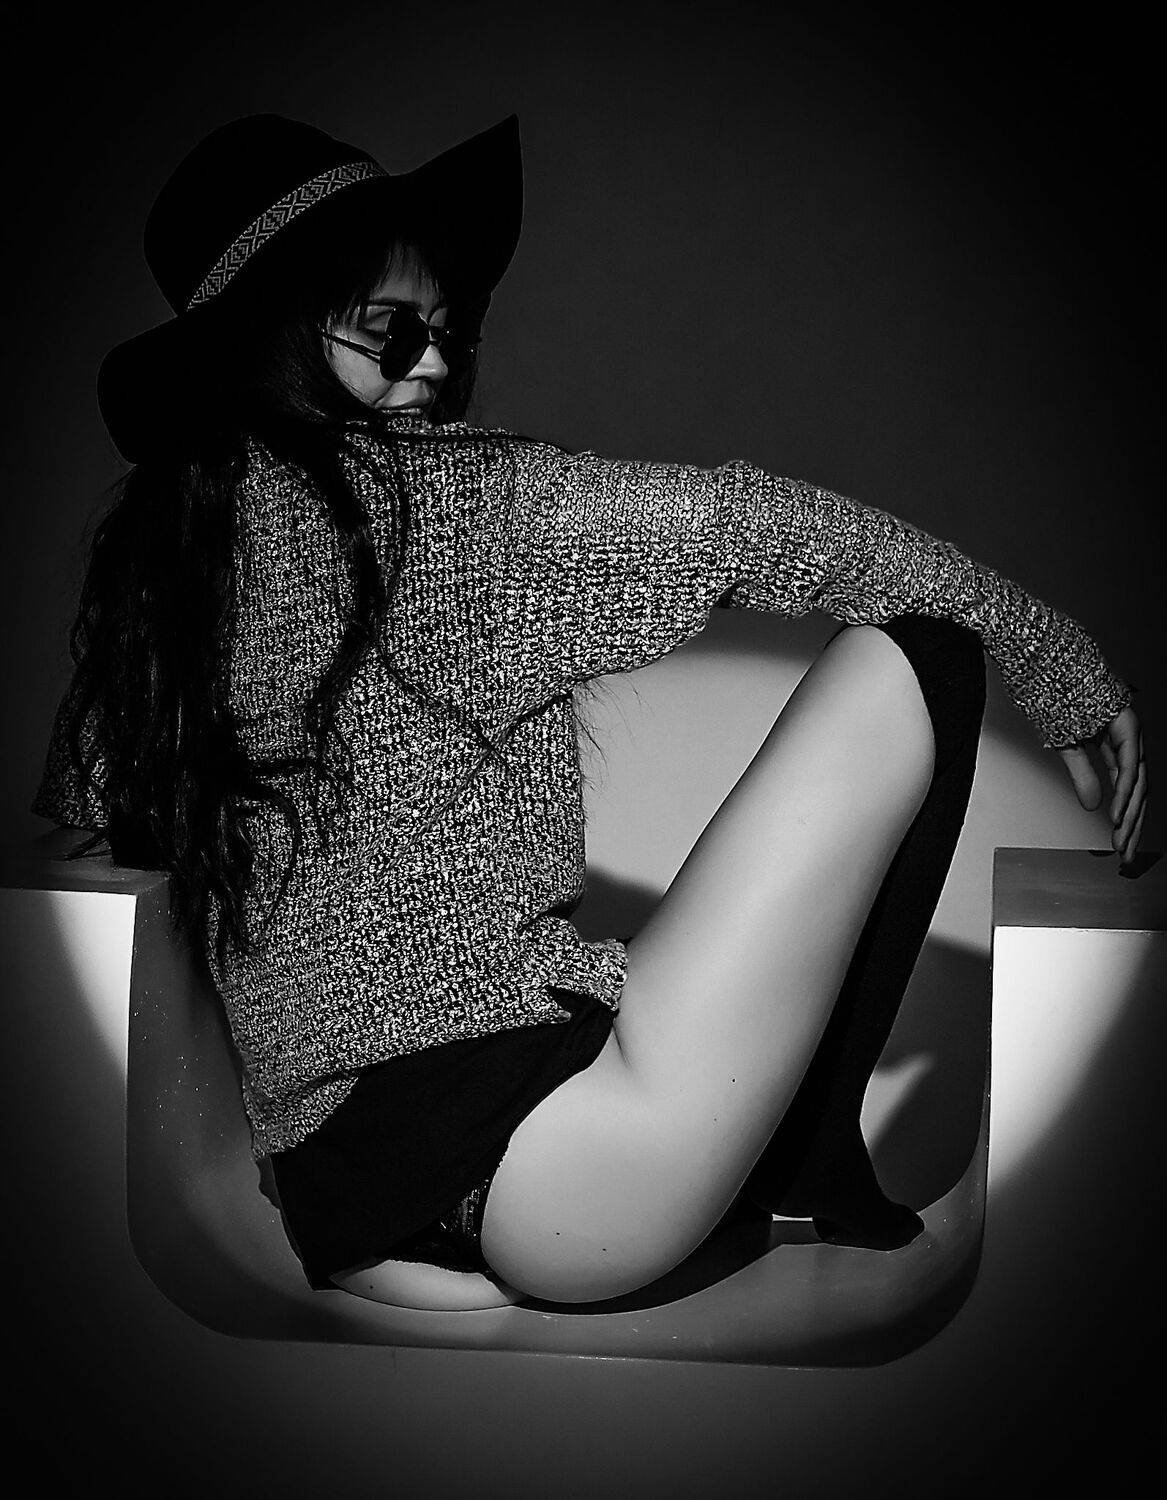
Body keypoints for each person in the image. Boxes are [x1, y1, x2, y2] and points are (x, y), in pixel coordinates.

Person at [32, 113, 1147, 1313]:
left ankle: (771, 1156)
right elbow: (757, 527)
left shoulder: (158, 570)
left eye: (449, 333)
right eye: (389, 331)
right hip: (566, 1175)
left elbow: (93, 817)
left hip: (352, 1199)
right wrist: (1057, 657)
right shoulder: (447, 509)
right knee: (924, 653)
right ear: (275, 330)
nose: (432, 366)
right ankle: (810, 1155)